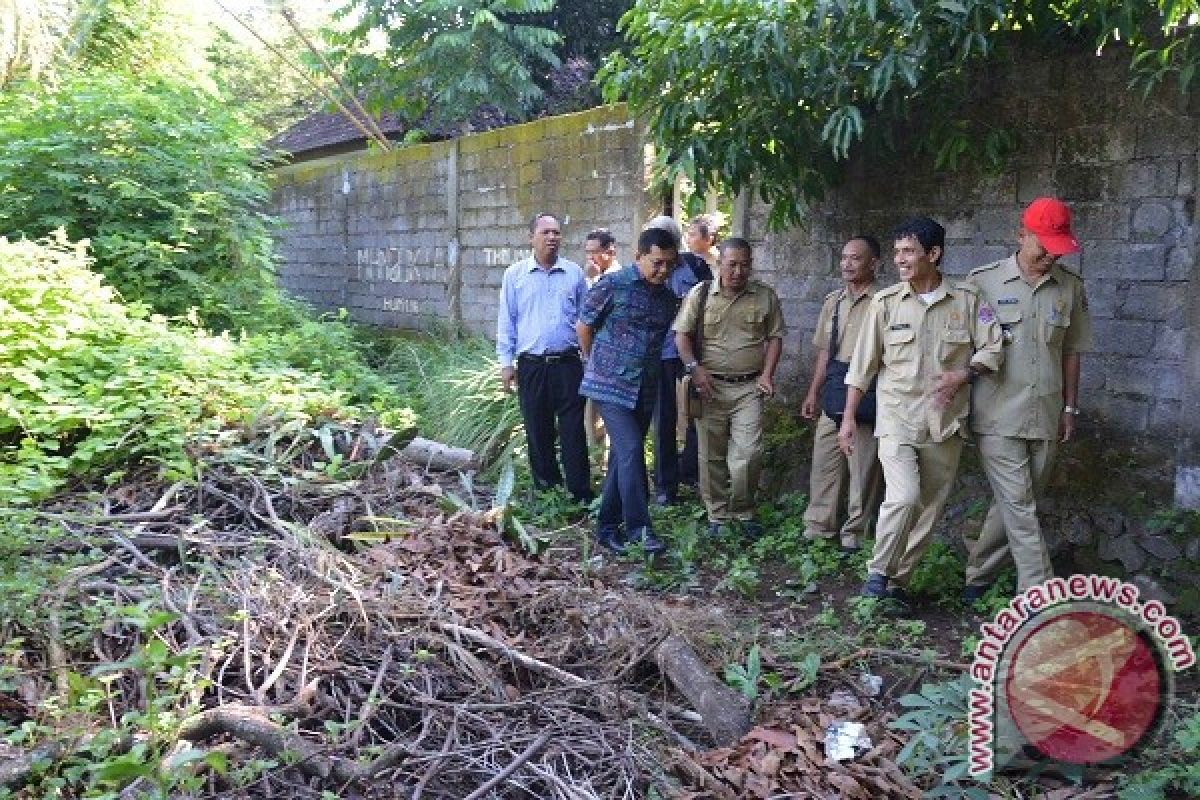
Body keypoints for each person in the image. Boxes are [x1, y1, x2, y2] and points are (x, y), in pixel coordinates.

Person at [838, 217, 1003, 605]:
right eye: (897, 252)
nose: (900, 259)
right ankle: (877, 575)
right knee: (904, 497)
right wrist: (847, 418)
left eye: (908, 251)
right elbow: (862, 367)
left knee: (927, 510)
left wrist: (963, 374)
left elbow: (994, 347)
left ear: (934, 254)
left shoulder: (968, 300)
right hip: (896, 419)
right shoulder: (885, 304)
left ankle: (897, 584)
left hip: (945, 424)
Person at [962, 198, 1093, 600]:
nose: (1051, 256)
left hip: (1047, 413)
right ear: (1021, 235)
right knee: (1020, 504)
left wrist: (1070, 407)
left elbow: (1071, 351)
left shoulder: (1070, 287)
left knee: (1017, 502)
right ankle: (1039, 597)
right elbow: (959, 350)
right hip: (997, 414)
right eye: (1043, 246)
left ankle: (978, 576)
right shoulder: (982, 283)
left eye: (1058, 248)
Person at [577, 227, 680, 554]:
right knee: (633, 449)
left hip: (644, 387)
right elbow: (584, 324)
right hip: (610, 385)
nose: (663, 270)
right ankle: (639, 528)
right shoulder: (614, 285)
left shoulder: (667, 299)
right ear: (638, 257)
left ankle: (606, 528)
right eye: (656, 263)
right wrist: (594, 361)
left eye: (669, 264)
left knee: (625, 454)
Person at [674, 238, 785, 537]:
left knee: (748, 454)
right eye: (732, 264)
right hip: (709, 387)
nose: (738, 271)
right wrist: (695, 369)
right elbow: (681, 336)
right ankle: (718, 516)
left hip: (748, 387)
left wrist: (767, 374)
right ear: (719, 263)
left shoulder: (764, 296)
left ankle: (744, 511)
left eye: (744, 264)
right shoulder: (700, 295)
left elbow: (775, 337)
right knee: (710, 456)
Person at [496, 213, 592, 504]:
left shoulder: (574, 274)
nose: (552, 237)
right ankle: (548, 491)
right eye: (546, 232)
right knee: (538, 429)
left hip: (568, 365)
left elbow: (586, 319)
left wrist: (589, 360)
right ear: (531, 238)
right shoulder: (515, 276)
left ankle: (580, 493)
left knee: (573, 430)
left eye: (557, 233)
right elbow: (507, 320)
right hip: (532, 366)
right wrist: (506, 363)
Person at [801, 236, 884, 552]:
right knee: (824, 462)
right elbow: (823, 352)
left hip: (868, 389)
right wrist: (813, 392)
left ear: (873, 262)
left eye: (856, 258)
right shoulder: (833, 301)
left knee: (862, 469)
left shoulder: (885, 301)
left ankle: (854, 536)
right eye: (844, 258)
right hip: (835, 389)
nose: (847, 264)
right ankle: (819, 527)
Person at [645, 215, 713, 505]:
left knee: (698, 414)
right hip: (659, 355)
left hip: (691, 355)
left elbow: (709, 307)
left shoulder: (695, 267)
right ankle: (665, 486)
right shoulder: (646, 268)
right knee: (664, 421)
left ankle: (693, 472)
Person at [582, 228, 621, 453]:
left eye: (594, 252)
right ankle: (597, 463)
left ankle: (607, 465)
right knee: (591, 417)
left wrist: (592, 279)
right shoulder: (593, 277)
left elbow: (590, 315)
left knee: (610, 419)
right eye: (587, 252)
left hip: (612, 360)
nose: (590, 258)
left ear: (610, 252)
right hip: (593, 359)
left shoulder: (616, 279)